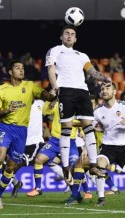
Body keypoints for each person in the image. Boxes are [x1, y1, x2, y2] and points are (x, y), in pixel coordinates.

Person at [0, 59, 56, 209]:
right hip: (6, 128)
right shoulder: (1, 89)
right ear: (10, 72)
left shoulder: (30, 86)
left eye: (22, 68)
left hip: (22, 131)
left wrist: (54, 93)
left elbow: (45, 95)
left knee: (10, 167)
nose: (21, 70)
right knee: (0, 157)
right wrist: (6, 111)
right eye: (17, 68)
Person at [45, 24, 111, 185]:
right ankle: (66, 167)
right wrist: (55, 88)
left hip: (82, 91)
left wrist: (104, 78)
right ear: (61, 37)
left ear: (75, 38)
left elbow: (93, 72)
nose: (69, 36)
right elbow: (51, 70)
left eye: (72, 34)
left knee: (88, 127)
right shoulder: (54, 50)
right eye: (66, 33)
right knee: (66, 129)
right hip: (66, 91)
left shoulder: (82, 55)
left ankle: (94, 165)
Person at [26, 100, 79, 198]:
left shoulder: (76, 104)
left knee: (70, 168)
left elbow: (83, 122)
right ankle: (38, 188)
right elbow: (45, 112)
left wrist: (71, 123)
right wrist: (51, 102)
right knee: (39, 159)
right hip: (54, 141)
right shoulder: (57, 103)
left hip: (69, 140)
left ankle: (77, 194)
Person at [10, 99, 46, 198]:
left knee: (16, 165)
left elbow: (52, 101)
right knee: (6, 166)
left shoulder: (40, 103)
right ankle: (16, 183)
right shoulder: (21, 105)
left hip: (34, 143)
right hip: (21, 142)